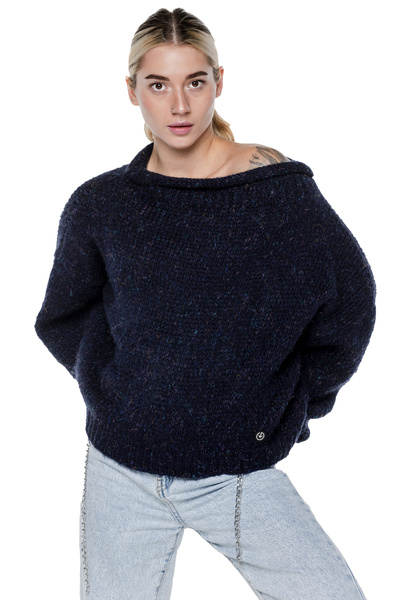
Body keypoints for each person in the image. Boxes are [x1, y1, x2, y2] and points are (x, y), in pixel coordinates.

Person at [34, 7, 376, 600]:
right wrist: (113, 386)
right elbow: (64, 316)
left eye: (194, 81)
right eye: (157, 85)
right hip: (121, 469)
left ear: (219, 81)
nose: (179, 105)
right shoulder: (101, 204)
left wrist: (291, 405)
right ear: (131, 91)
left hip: (236, 471)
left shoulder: (275, 190)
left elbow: (350, 302)